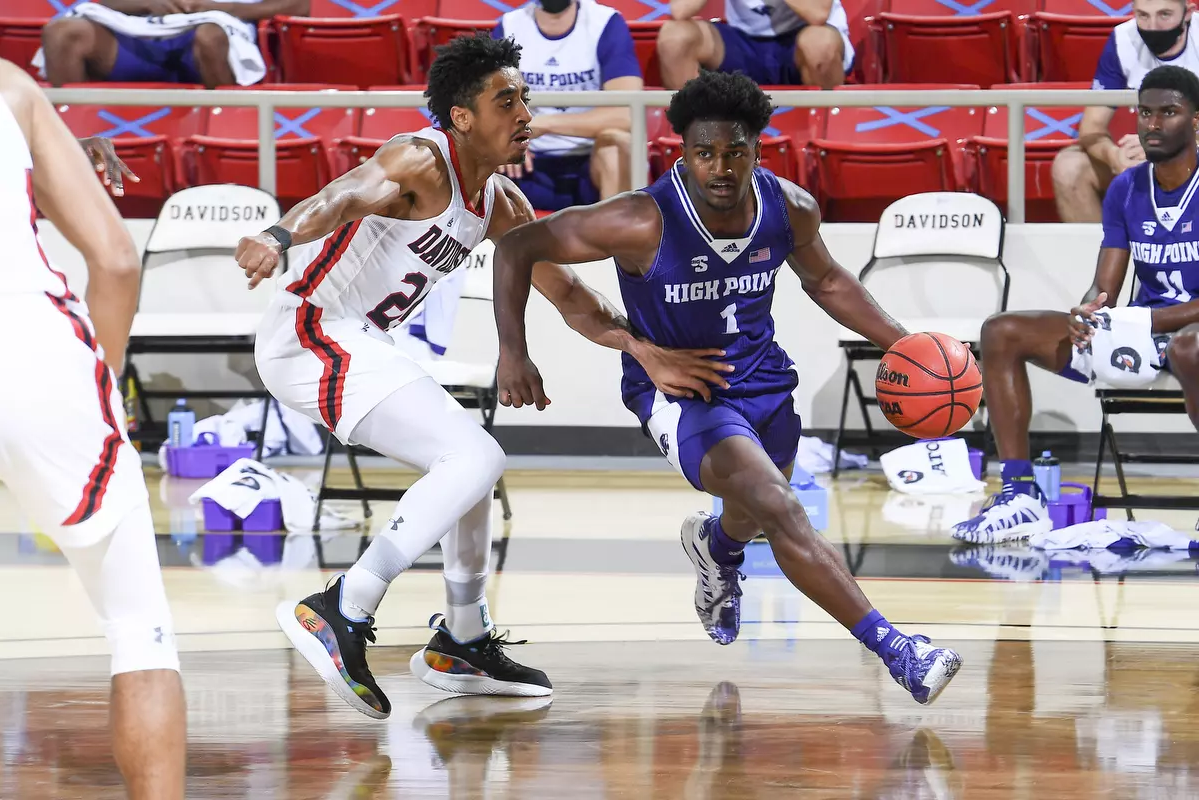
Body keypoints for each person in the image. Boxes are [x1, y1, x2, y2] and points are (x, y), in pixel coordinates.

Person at [235, 34, 729, 718]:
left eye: (525, 97)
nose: (525, 111)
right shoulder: (419, 158)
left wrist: (645, 349)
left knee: (468, 465)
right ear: (462, 117)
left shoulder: (501, 204)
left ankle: (461, 639)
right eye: (507, 100)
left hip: (358, 339)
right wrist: (279, 236)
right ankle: (342, 606)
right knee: (476, 453)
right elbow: (343, 194)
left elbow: (572, 299)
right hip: (310, 330)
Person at [490, 70, 962, 705]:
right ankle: (898, 648)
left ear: (757, 151)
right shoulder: (639, 220)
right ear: (681, 153)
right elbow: (517, 247)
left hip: (764, 380)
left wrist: (905, 344)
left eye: (734, 152)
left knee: (754, 515)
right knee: (781, 507)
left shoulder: (789, 207)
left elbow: (826, 282)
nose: (719, 166)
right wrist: (514, 352)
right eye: (704, 152)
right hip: (683, 393)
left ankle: (715, 548)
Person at [0, 58, 185, 798]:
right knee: (137, 626)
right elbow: (113, 259)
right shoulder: (10, 85)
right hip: (34, 356)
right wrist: (97, 384)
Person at [955, 64, 1199, 543]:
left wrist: (1146, 320)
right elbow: (1103, 284)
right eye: (1144, 113)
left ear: (1195, 122)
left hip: (1183, 334)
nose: (1151, 124)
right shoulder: (1127, 187)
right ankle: (1019, 494)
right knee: (1001, 331)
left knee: (1191, 349)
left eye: (1168, 112)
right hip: (1143, 330)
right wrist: (1085, 313)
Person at [1052, 0, 1199, 222]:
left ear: (1187, 13)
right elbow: (1091, 128)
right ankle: (1100, 254)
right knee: (1069, 167)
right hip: (1145, 156)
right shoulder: (1123, 40)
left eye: (1164, 15)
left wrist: (1166, 144)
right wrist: (1115, 157)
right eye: (1143, 15)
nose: (1153, 26)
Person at [493, 0, 643, 208]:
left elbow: (627, 115)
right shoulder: (509, 27)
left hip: (590, 163)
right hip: (525, 162)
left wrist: (544, 124)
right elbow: (488, 106)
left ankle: (614, 237)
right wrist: (501, 143)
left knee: (617, 143)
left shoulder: (606, 23)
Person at [39, 0, 307, 88]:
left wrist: (224, 8)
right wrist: (146, 3)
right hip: (138, 37)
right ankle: (68, 136)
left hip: (210, 40)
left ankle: (224, 128)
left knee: (209, 35)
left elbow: (300, 5)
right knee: (61, 33)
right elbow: (107, 3)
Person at [655, 0, 853, 91]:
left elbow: (817, 12)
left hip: (801, 41)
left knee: (819, 45)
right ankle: (697, 135)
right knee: (675, 37)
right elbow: (680, 9)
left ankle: (826, 130)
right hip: (744, 42)